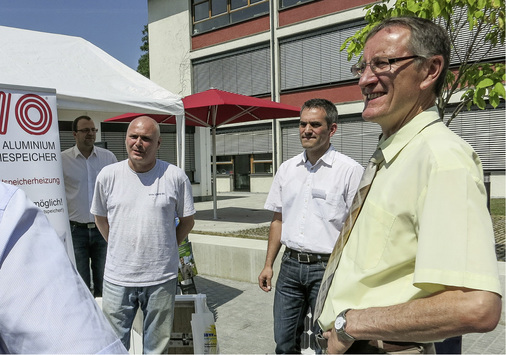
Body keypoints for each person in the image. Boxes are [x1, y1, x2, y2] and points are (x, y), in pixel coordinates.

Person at [316, 17, 502, 354]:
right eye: (363, 66)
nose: (365, 79)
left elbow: (476, 305)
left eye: (383, 64)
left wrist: (350, 323)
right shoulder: (395, 152)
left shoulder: (441, 159)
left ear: (431, 70)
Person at [258, 98, 364, 353]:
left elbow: (358, 226)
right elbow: (278, 220)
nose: (307, 130)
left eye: (315, 124)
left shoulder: (350, 171)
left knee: (326, 341)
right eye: (303, 124)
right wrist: (268, 264)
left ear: (332, 129)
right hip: (290, 267)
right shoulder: (287, 169)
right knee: (284, 341)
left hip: (327, 269)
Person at [91, 116, 196, 353]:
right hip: (118, 277)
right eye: (133, 136)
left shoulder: (175, 177)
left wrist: (167, 246)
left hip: (160, 278)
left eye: (146, 138)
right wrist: (118, 244)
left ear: (158, 143)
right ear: (125, 139)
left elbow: (187, 221)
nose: (138, 143)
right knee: (113, 346)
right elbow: (100, 218)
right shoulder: (108, 176)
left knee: (157, 348)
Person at [0, 182, 127, 354]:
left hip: (99, 236)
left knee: (99, 288)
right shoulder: (8, 208)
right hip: (78, 230)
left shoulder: (107, 158)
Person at [61, 115, 117, 297]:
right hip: (76, 231)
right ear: (74, 134)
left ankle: (106, 323)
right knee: (81, 284)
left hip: (104, 230)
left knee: (106, 282)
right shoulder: (62, 160)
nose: (91, 134)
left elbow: (118, 190)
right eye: (85, 130)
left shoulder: (108, 158)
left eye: (93, 130)